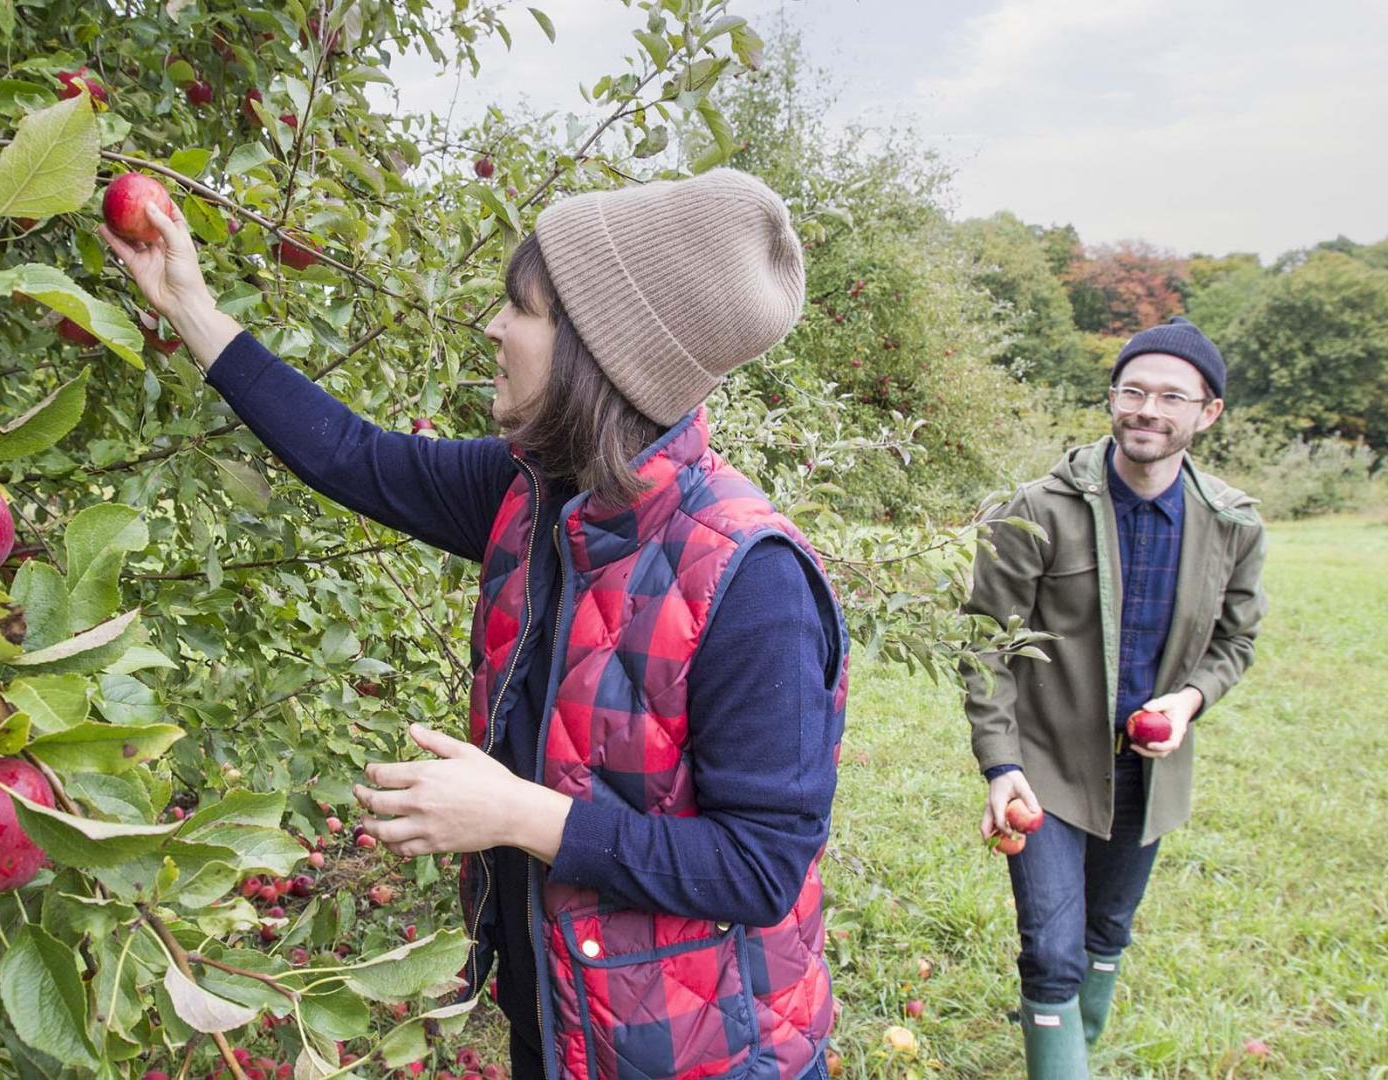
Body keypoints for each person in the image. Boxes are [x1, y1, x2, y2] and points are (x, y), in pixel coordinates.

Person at [102, 169, 848, 1080]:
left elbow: (761, 867)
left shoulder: (751, 577)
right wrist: (191, 306)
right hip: (567, 1020)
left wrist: (517, 813)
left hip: (708, 1054)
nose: (494, 327)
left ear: (598, 350)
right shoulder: (533, 492)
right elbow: (351, 454)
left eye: (522, 309)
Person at [963, 317, 1269, 1077]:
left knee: (1108, 929)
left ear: (1208, 412)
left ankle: (1079, 1043)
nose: (1147, 410)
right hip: (1047, 768)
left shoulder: (1232, 525)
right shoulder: (1036, 509)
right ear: (1112, 399)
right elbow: (984, 645)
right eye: (1133, 390)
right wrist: (1001, 766)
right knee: (1053, 946)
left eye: (1172, 395)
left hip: (1149, 770)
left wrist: (1189, 703)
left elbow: (1236, 641)